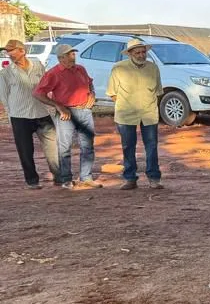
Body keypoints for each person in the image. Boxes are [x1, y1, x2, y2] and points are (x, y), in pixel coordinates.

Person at [33, 43, 101, 189]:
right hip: (66, 113)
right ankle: (66, 179)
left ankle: (86, 177)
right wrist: (57, 105)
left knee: (87, 146)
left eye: (73, 54)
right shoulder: (53, 73)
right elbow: (38, 93)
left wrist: (92, 95)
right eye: (69, 54)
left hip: (85, 110)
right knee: (65, 147)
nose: (73, 57)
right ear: (60, 58)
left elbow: (90, 84)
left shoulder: (80, 69)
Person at [0, 39, 59, 189]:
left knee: (53, 148)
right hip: (19, 116)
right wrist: (11, 113)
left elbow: (46, 85)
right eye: (8, 51)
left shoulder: (38, 65)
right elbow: (4, 96)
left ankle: (59, 176)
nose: (10, 54)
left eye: (12, 50)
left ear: (22, 51)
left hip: (41, 112)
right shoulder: (6, 73)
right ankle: (32, 181)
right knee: (25, 151)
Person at [106, 38, 164, 190]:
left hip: (149, 113)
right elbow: (112, 93)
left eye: (143, 52)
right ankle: (130, 178)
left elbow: (158, 91)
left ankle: (154, 178)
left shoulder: (153, 68)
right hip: (126, 114)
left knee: (151, 146)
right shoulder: (118, 68)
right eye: (137, 52)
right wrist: (126, 104)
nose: (141, 55)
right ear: (130, 54)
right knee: (128, 146)